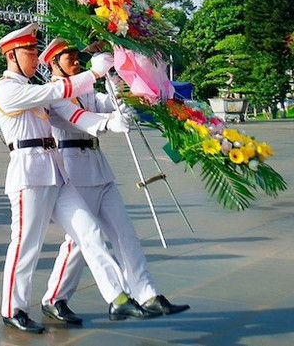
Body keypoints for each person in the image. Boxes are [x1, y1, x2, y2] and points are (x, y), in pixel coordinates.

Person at [0, 24, 156, 334]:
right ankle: (13, 308)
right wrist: (93, 74)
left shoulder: (31, 89)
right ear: (11, 55)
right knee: (26, 245)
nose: (34, 57)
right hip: (29, 174)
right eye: (29, 52)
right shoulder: (7, 88)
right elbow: (56, 90)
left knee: (89, 232)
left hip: (55, 170)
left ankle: (117, 297)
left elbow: (69, 107)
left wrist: (109, 114)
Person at [38, 38, 190, 323]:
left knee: (125, 234)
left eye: (75, 54)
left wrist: (118, 92)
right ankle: (54, 297)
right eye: (68, 56)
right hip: (75, 170)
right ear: (54, 63)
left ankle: (147, 294)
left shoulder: (84, 89)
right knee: (80, 241)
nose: (75, 59)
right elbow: (79, 118)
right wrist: (108, 122)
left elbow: (103, 103)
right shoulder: (54, 93)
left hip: (98, 167)